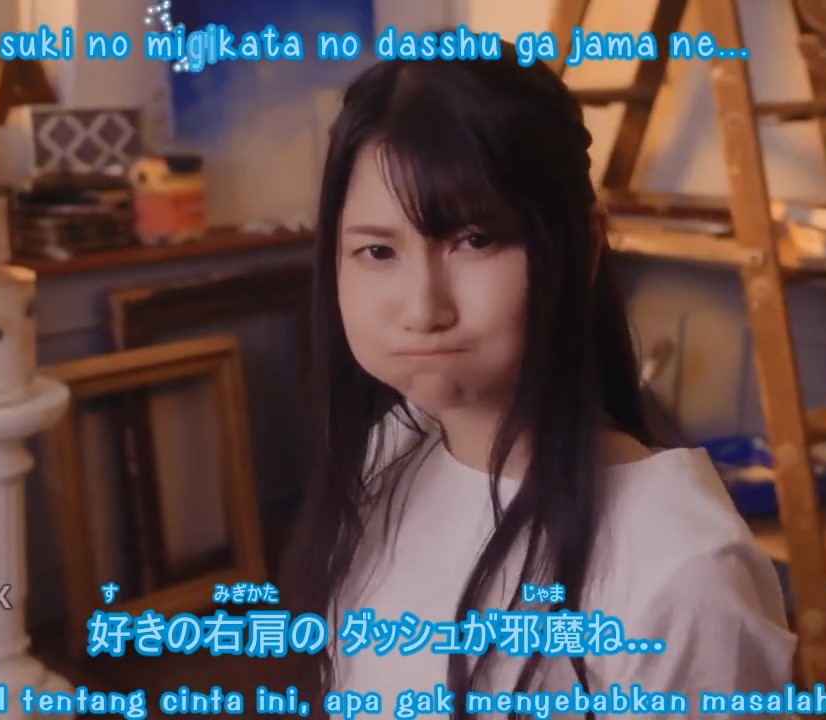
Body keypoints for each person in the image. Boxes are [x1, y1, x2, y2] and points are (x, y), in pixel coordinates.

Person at [281, 40, 797, 719]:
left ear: (584, 247)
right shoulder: (390, 449)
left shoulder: (682, 572)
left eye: (475, 240)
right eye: (377, 251)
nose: (422, 308)